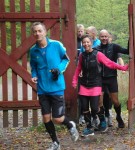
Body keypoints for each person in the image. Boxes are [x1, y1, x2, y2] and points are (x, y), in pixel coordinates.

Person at [30, 22, 79, 150]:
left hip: (56, 87)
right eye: (35, 31)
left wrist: (59, 69)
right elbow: (33, 67)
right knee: (46, 118)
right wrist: (34, 75)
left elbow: (66, 59)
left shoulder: (56, 45)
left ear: (45, 32)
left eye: (40, 31)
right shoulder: (33, 50)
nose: (37, 33)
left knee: (57, 119)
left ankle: (70, 125)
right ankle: (55, 143)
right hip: (42, 88)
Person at [72, 34, 128, 136]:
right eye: (84, 42)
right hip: (84, 84)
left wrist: (123, 68)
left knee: (95, 107)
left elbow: (110, 63)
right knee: (84, 107)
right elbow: (78, 69)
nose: (86, 44)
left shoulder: (98, 54)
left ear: (91, 43)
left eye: (88, 42)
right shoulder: (82, 55)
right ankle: (89, 127)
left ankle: (103, 120)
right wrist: (74, 81)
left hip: (96, 84)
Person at [95, 29, 129, 128]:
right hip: (100, 78)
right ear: (99, 37)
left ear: (109, 37)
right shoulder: (96, 49)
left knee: (115, 101)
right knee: (99, 101)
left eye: (106, 36)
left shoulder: (114, 47)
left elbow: (127, 51)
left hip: (111, 78)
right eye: (102, 36)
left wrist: (130, 39)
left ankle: (118, 116)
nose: (104, 38)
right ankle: (102, 121)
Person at [76, 24, 85, 125]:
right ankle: (77, 115)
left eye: (81, 31)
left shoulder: (85, 42)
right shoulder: (74, 42)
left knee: (83, 93)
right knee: (76, 93)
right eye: (78, 31)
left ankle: (83, 115)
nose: (80, 33)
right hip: (74, 70)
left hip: (84, 70)